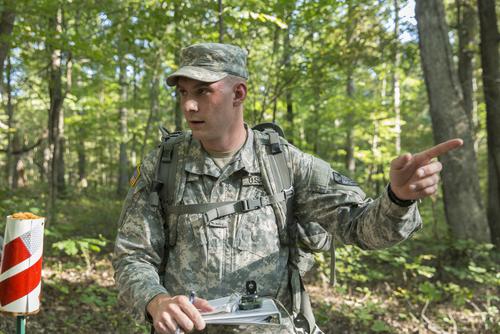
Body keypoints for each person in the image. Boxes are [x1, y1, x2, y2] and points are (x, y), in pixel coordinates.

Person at [113, 43, 463, 334]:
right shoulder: (163, 165)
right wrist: (156, 301)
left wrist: (397, 198)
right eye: (184, 92)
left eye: (203, 91)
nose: (189, 105)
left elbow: (360, 228)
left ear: (239, 93)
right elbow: (133, 255)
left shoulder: (286, 165)